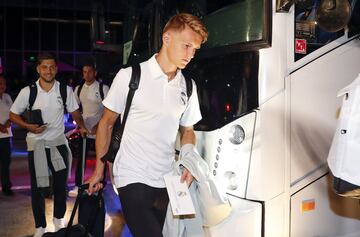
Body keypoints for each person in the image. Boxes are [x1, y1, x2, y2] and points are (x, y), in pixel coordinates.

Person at [87, 13, 208, 237]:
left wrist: (189, 160)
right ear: (167, 38)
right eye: (187, 46)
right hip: (131, 174)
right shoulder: (130, 76)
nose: (191, 54)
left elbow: (188, 130)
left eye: (195, 50)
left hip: (167, 178)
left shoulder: (188, 87)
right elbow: (105, 124)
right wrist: (99, 170)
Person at [10, 53, 88, 237]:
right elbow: (13, 115)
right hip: (37, 146)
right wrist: (28, 126)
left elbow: (75, 112)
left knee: (61, 186)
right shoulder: (28, 91)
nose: (48, 70)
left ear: (56, 68)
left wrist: (83, 126)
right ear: (38, 69)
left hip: (58, 144)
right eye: (44, 67)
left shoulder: (64, 90)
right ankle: (40, 227)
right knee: (38, 188)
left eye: (52, 67)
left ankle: (58, 221)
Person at [68, 63, 109, 197]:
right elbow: (74, 109)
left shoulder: (103, 88)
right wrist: (81, 126)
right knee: (81, 160)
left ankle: (100, 186)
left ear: (95, 72)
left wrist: (99, 126)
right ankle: (79, 185)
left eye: (89, 71)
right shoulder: (79, 89)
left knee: (101, 158)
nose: (87, 74)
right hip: (85, 131)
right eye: (84, 72)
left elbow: (109, 110)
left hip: (101, 131)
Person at [0, 74, 14, 196]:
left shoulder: (7, 97)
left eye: (3, 83)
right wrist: (1, 127)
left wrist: (8, 123)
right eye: (0, 83)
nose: (2, 86)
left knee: (5, 163)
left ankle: (6, 186)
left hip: (7, 136)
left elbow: (13, 113)